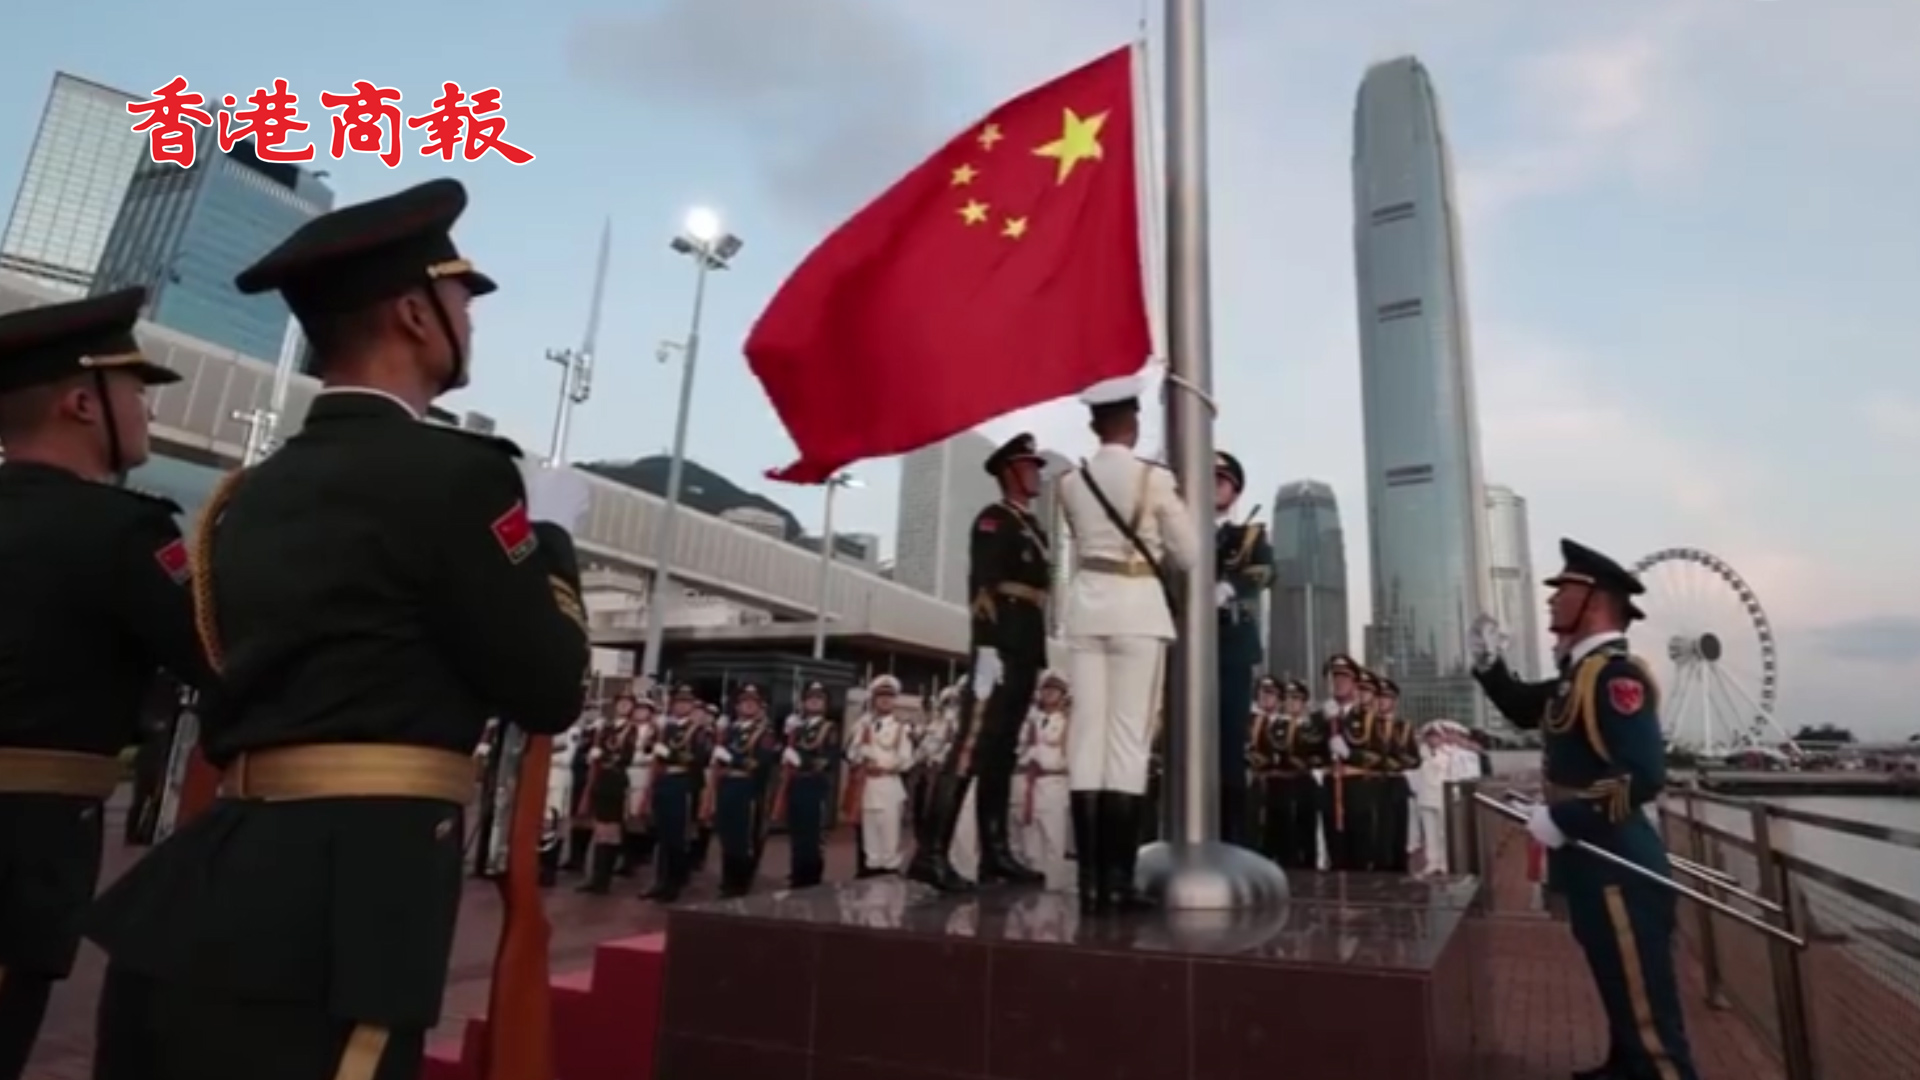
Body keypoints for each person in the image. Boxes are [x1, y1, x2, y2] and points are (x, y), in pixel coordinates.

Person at [83, 178, 594, 1080]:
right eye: (460, 300)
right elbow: (549, 688)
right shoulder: (459, 478)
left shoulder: (244, 497)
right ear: (414, 314)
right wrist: (549, 541)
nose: (470, 320)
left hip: (206, 885)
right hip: (346, 908)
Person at [0, 288, 212, 1080]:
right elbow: (221, 663)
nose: (147, 409)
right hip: (20, 849)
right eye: (136, 388)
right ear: (83, 403)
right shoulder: (123, 534)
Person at [1474, 538, 1699, 1080]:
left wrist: (1564, 818)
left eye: (1564, 591)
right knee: (1617, 978)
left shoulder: (1615, 677)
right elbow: (1525, 708)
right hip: (1591, 855)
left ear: (1595, 602)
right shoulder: (1578, 675)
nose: (1552, 600)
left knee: (1644, 1000)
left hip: (1617, 858)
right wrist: (1488, 663)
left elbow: (1642, 774)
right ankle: (1625, 1065)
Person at [1055, 374, 1199, 911]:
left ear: (1095, 425)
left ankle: (1090, 883)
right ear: (1133, 424)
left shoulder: (1070, 482)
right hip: (1137, 610)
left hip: (1087, 610)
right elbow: (1188, 555)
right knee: (1127, 743)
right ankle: (1117, 881)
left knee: (1086, 741)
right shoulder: (1153, 479)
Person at [908, 434, 1052, 893]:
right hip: (999, 647)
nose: (1037, 473)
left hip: (1025, 647)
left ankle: (995, 854)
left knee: (1002, 750)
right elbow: (983, 586)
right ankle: (930, 855)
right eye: (1029, 466)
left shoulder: (1034, 527)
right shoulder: (994, 520)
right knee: (970, 745)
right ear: (1009, 471)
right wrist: (986, 647)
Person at [1211, 450, 1272, 846]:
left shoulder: (1249, 536)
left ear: (1234, 492)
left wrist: (1232, 586)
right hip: (1187, 647)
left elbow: (1266, 571)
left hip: (1231, 646)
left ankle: (1230, 837)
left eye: (1220, 481)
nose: (1212, 487)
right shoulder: (1184, 530)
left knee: (1230, 744)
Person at [641, 685, 713, 903]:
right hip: (664, 782)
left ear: (691, 706)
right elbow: (648, 749)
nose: (681, 706)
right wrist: (652, 737)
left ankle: (674, 883)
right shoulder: (666, 728)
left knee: (677, 836)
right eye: (678, 702)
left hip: (683, 783)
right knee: (662, 835)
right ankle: (660, 881)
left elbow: (699, 758)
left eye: (685, 703)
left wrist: (670, 753)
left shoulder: (699, 731)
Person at [710, 683, 781, 897]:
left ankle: (741, 883)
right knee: (727, 835)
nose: (748, 706)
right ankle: (727, 880)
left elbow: (761, 762)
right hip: (727, 786)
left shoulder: (765, 733)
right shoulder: (730, 730)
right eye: (744, 702)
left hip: (748, 788)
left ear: (760, 707)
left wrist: (733, 759)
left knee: (745, 838)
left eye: (753, 703)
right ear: (737, 706)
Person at [1249, 677, 1325, 870]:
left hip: (1298, 786)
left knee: (1299, 839)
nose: (1291, 703)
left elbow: (1317, 753)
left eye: (1296, 699)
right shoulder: (1273, 725)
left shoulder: (1308, 726)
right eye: (1288, 698)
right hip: (1272, 786)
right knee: (1268, 836)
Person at [846, 675, 913, 875]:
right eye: (880, 696)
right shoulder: (863, 726)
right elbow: (850, 754)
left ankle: (890, 882)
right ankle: (871, 881)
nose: (885, 700)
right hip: (868, 788)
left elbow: (906, 760)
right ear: (874, 700)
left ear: (894, 700)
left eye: (889, 697)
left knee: (889, 842)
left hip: (888, 786)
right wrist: (860, 751)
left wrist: (884, 764)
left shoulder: (901, 728)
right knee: (871, 844)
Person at [577, 694, 641, 895]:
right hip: (601, 779)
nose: (623, 706)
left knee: (610, 831)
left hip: (615, 779)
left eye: (627, 704)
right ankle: (596, 876)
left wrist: (602, 754)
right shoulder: (606, 727)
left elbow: (626, 756)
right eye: (620, 703)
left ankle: (604, 879)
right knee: (600, 830)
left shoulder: (631, 729)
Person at [778, 681, 840, 888]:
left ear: (825, 704)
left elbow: (828, 759)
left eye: (819, 698)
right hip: (796, 785)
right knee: (796, 832)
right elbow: (783, 753)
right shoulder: (797, 728)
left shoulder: (829, 728)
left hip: (814, 785)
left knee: (812, 835)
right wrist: (786, 737)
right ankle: (797, 873)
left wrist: (802, 761)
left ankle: (811, 878)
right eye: (810, 698)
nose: (814, 701)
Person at [1014, 670, 1072, 872]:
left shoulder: (1067, 722)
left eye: (1055, 689)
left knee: (1053, 837)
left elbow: (1068, 757)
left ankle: (1053, 880)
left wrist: (1042, 756)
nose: (1049, 693)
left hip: (1053, 783)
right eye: (1046, 688)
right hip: (1029, 783)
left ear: (1063, 694)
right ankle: (1032, 877)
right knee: (1028, 838)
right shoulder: (1031, 720)